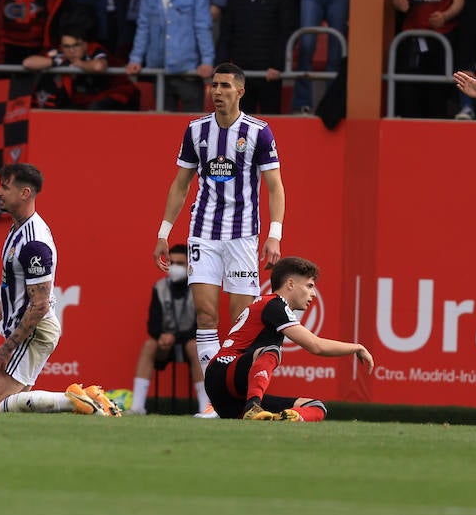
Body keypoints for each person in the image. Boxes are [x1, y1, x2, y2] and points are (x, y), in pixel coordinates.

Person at [151, 61, 286, 416]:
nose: (217, 92)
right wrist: (164, 232)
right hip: (203, 234)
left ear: (240, 91)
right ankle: (213, 401)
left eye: (225, 86)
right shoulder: (196, 131)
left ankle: (239, 393)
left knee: (242, 318)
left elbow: (275, 187)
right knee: (206, 315)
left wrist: (275, 234)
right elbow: (181, 184)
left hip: (242, 236)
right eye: (214, 86)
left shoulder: (259, 132)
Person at [0, 163, 118, 415]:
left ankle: (76, 400)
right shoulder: (17, 228)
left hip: (35, 331)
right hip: (31, 329)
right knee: (12, 406)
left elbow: (39, 305)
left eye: (4, 187)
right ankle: (84, 400)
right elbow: (14, 286)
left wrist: (7, 348)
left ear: (25, 193)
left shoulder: (34, 242)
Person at [204, 256, 372, 421]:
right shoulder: (275, 304)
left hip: (233, 396)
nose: (313, 294)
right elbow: (316, 345)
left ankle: (283, 418)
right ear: (290, 284)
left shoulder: (269, 304)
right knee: (271, 351)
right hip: (223, 373)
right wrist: (357, 347)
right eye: (309, 286)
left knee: (315, 407)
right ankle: (254, 407)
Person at [127, 243, 212, 415]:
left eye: (180, 264)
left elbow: (201, 324)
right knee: (150, 345)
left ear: (189, 266)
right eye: (171, 263)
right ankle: (137, 407)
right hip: (165, 346)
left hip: (188, 342)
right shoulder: (160, 287)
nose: (175, 267)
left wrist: (177, 337)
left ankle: (206, 408)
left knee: (194, 345)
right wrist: (163, 337)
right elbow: (153, 324)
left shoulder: (198, 289)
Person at [126, 0, 215, 111]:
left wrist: (207, 61)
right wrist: (136, 59)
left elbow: (203, 28)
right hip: (159, 70)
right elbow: (143, 27)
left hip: (189, 71)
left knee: (194, 126)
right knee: (164, 126)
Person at [216, 0, 299, 115]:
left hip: (270, 74)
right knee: (240, 126)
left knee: (270, 125)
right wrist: (223, 67)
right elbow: (226, 35)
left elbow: (286, 33)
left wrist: (277, 65)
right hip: (241, 75)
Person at [24, 16, 138, 111]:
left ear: (85, 45)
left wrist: (80, 64)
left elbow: (99, 66)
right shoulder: (60, 53)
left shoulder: (94, 49)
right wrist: (56, 62)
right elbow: (28, 63)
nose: (71, 50)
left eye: (76, 45)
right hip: (83, 100)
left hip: (119, 95)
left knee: (95, 108)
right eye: (67, 46)